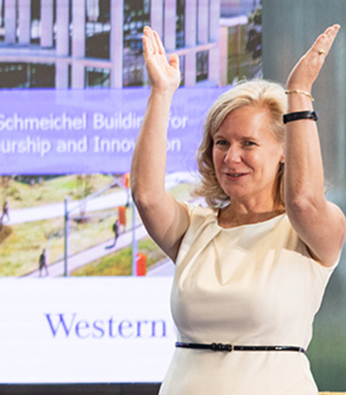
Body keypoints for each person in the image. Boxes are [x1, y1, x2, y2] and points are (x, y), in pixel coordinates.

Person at [132, 26, 343, 394]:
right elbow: (146, 195)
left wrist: (299, 93)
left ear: (283, 153)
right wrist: (161, 92)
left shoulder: (311, 230)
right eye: (221, 142)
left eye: (248, 143)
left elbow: (302, 200)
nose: (231, 157)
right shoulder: (193, 228)